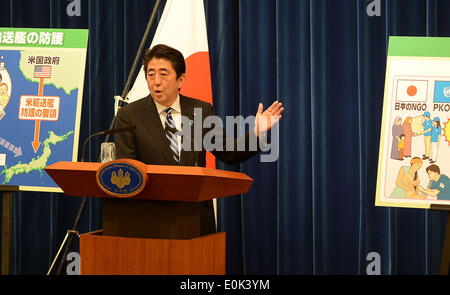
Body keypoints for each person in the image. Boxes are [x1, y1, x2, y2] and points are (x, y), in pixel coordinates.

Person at [114, 44, 284, 238]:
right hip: (150, 220)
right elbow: (128, 170)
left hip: (194, 218)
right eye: (151, 75)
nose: (156, 82)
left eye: (163, 74)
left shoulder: (200, 110)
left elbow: (228, 152)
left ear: (181, 79)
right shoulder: (130, 115)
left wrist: (257, 133)